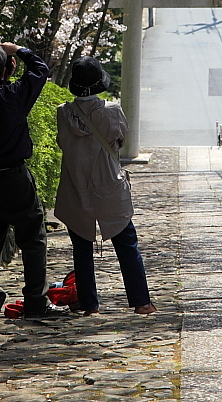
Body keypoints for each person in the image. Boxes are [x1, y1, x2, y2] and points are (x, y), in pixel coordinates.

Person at [0, 41, 69, 320]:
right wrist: (17, 49)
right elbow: (40, 70)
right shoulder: (14, 96)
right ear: (6, 70)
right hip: (14, 178)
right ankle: (35, 301)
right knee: (33, 238)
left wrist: (5, 68)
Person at [54, 56, 155, 316]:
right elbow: (120, 138)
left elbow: (63, 143)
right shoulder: (111, 111)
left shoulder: (63, 112)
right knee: (126, 243)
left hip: (75, 185)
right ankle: (141, 302)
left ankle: (90, 306)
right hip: (108, 183)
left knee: (81, 246)